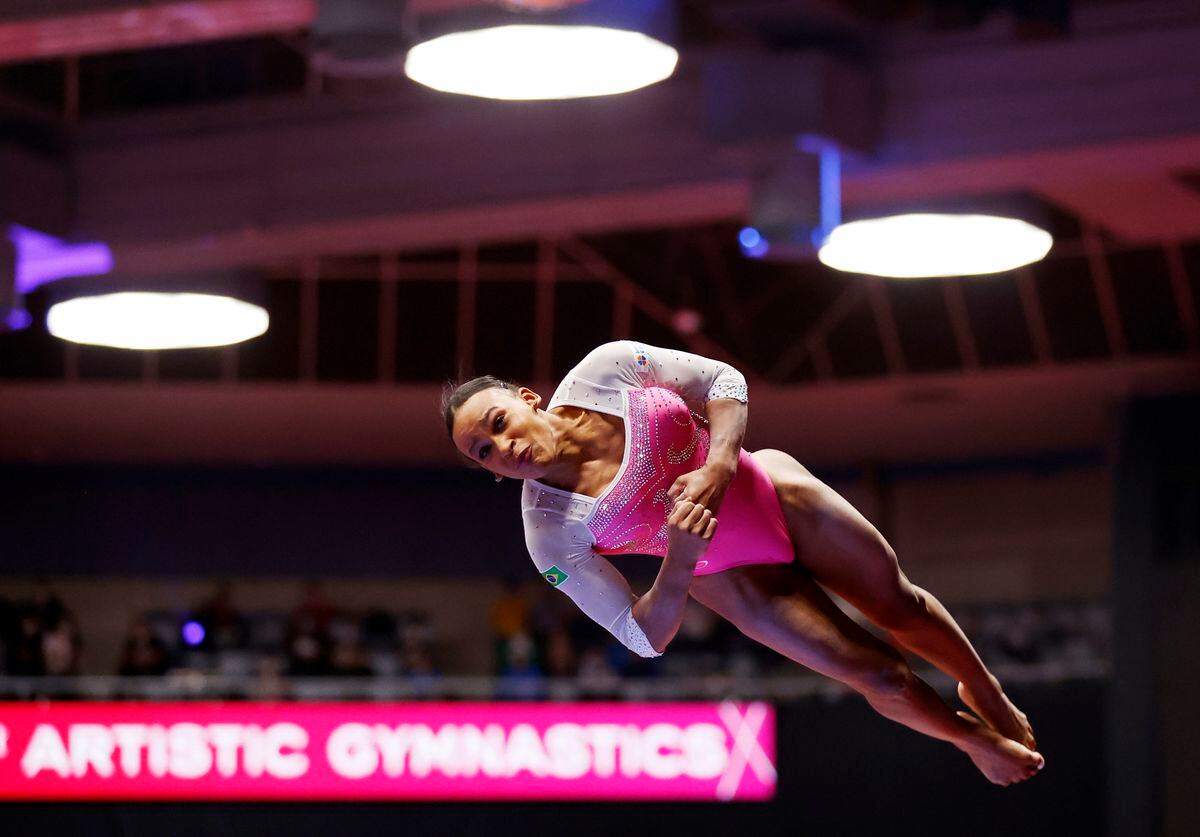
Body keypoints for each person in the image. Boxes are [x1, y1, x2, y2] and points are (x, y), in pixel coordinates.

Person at [443, 340, 1043, 786]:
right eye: (484, 453)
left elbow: (723, 382)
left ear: (527, 398)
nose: (504, 447)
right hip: (725, 576)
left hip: (769, 488)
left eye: (498, 424)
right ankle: (971, 741)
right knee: (878, 674)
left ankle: (982, 686)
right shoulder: (549, 531)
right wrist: (678, 562)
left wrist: (721, 464)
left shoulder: (607, 368)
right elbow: (640, 635)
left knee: (897, 604)